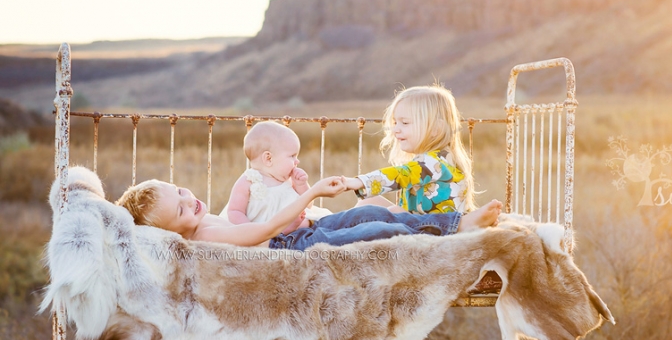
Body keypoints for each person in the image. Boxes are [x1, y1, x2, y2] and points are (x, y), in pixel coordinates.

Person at [116, 175, 502, 250]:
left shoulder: (203, 220)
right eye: (180, 209)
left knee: (371, 212)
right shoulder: (204, 236)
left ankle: (455, 223)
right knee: (368, 233)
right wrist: (313, 193)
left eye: (181, 191)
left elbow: (246, 216)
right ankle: (451, 237)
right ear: (172, 232)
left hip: (300, 233)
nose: (190, 201)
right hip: (292, 247)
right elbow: (266, 229)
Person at [343, 85, 475, 214]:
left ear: (436, 129)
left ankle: (336, 229)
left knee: (394, 211)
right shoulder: (439, 158)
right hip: (421, 221)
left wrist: (358, 182)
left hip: (434, 227)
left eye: (405, 123)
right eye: (395, 123)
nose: (395, 129)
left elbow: (400, 175)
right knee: (368, 202)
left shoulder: (435, 163)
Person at [219, 121, 330, 233]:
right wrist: (251, 232)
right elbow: (235, 211)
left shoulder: (289, 180)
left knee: (310, 221)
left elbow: (308, 205)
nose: (297, 161)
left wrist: (301, 185)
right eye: (292, 156)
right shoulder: (248, 181)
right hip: (261, 233)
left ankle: (293, 230)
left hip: (292, 232)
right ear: (268, 158)